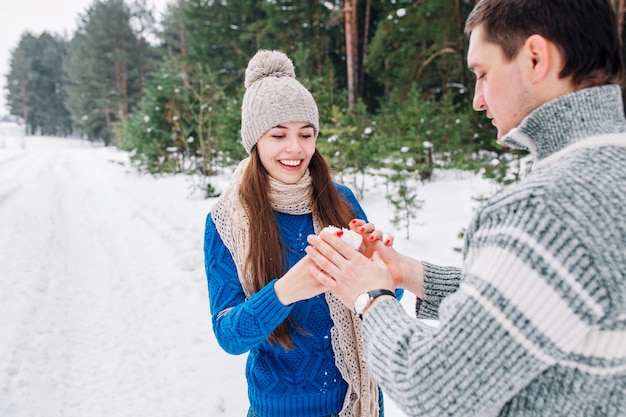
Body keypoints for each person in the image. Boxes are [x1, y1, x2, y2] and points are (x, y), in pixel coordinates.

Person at [304, 0, 626, 415]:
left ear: (535, 58)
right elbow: (547, 304)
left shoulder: (547, 209)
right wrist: (408, 273)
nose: (477, 99)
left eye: (482, 74)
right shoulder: (607, 173)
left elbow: (435, 388)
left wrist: (370, 296)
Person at [204, 49, 389, 417]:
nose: (295, 148)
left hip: (361, 402)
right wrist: (286, 290)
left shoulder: (340, 201)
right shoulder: (226, 220)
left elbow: (383, 301)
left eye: (306, 134)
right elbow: (228, 334)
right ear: (255, 141)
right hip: (280, 409)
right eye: (278, 135)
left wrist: (375, 265)